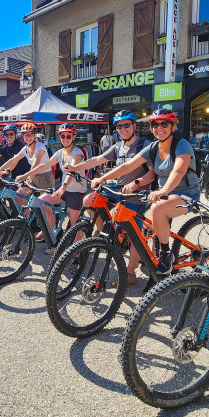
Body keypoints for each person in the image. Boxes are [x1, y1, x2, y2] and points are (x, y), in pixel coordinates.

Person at [92, 108, 200, 277]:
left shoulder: (182, 144)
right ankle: (154, 253)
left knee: (158, 209)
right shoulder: (153, 147)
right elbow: (128, 166)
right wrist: (103, 178)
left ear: (173, 126)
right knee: (154, 219)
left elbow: (178, 172)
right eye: (155, 125)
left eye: (164, 123)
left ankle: (166, 255)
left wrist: (162, 190)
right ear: (151, 128)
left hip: (186, 194)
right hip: (164, 194)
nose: (159, 127)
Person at [65, 111, 154, 286]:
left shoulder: (145, 145)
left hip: (136, 193)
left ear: (134, 126)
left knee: (134, 233)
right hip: (118, 188)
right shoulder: (117, 146)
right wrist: (76, 168)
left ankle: (129, 273)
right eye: (119, 126)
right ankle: (103, 231)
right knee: (89, 200)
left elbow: (152, 174)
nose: (123, 129)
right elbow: (98, 159)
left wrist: (137, 183)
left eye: (126, 125)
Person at [16, 123, 86, 254]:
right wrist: (25, 175)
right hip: (63, 187)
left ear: (73, 137)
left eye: (68, 136)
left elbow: (72, 171)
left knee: (74, 224)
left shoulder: (78, 153)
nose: (65, 139)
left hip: (76, 190)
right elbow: (44, 165)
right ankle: (50, 233)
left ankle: (78, 254)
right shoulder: (60, 152)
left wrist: (64, 186)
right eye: (63, 136)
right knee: (42, 202)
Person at [0, 123, 55, 191]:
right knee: (18, 195)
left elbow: (34, 165)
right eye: (25, 134)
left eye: (30, 134)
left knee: (41, 200)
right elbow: (13, 160)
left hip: (44, 178)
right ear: (22, 136)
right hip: (33, 175)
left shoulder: (40, 147)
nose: (28, 137)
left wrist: (28, 179)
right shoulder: (26, 148)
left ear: (35, 134)